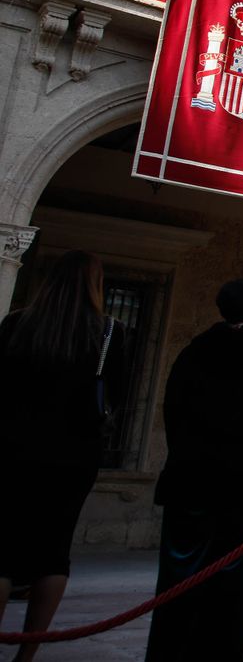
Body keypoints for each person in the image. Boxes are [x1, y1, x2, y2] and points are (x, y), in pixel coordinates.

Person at [145, 278, 243, 662]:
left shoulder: (195, 352)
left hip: (192, 481)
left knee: (180, 576)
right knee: (234, 583)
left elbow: (173, 411)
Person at [0, 251, 127, 662]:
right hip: (74, 454)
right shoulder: (108, 332)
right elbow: (118, 395)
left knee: (3, 549)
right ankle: (28, 652)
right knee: (54, 551)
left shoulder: (18, 324)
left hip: (14, 450)